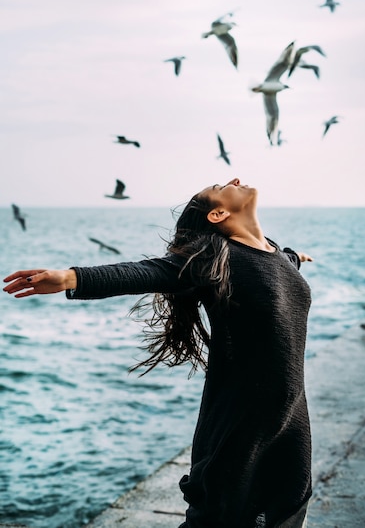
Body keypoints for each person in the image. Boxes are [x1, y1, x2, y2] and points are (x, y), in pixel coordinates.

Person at [3, 178, 313, 528]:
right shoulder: (216, 258)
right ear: (218, 213)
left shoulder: (275, 253)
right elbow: (148, 272)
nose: (235, 180)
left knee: (288, 510)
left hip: (291, 423)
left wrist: (295, 257)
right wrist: (71, 278)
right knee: (219, 518)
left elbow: (278, 263)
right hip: (240, 422)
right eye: (221, 185)